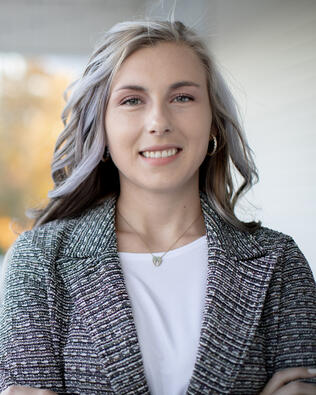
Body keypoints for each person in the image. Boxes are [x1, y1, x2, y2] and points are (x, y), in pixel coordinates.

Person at [0, 19, 315, 395]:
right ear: (102, 127)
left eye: (182, 97)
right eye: (132, 100)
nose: (159, 122)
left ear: (212, 121)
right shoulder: (38, 262)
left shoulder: (279, 262)